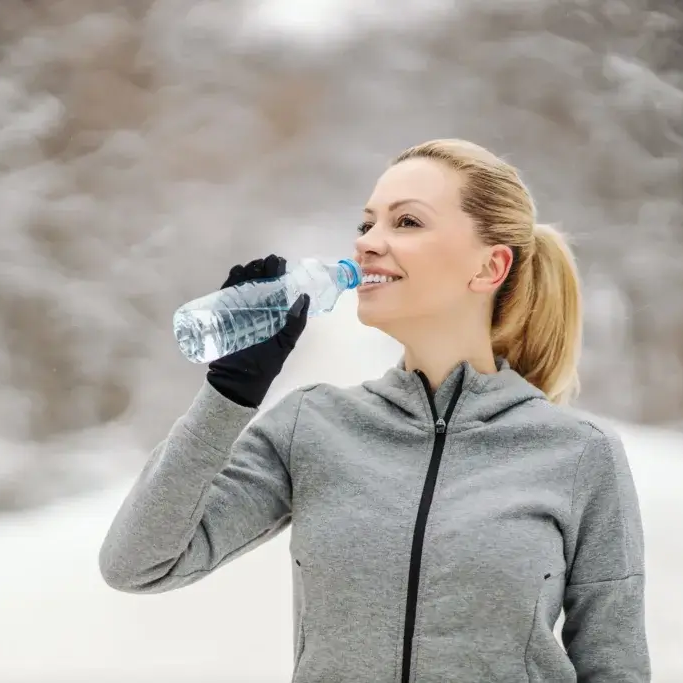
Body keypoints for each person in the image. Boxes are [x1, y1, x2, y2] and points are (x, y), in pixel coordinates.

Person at [99, 139, 650, 683]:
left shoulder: (578, 455)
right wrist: (229, 394)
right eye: (366, 225)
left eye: (406, 223)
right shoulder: (312, 427)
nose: (368, 244)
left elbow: (615, 667)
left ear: (489, 267)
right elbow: (137, 563)